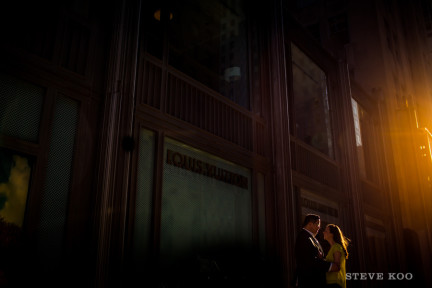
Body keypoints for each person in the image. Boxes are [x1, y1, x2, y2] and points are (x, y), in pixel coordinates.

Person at [294, 214, 339, 288]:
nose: (319, 227)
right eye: (317, 224)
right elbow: (309, 260)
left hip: (315, 281)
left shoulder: (312, 238)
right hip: (308, 282)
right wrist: (330, 266)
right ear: (310, 224)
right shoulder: (303, 237)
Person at [323, 224, 350, 288]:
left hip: (335, 283)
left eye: (326, 231)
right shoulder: (332, 248)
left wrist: (323, 264)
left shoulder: (337, 247)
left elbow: (337, 266)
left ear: (332, 234)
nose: (323, 232)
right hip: (331, 282)